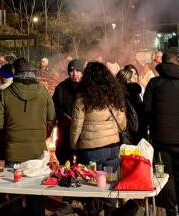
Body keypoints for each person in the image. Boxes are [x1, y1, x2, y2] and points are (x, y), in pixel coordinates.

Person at [0, 58, 55, 216]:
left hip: (13, 152)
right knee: (36, 194)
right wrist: (42, 136)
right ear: (31, 71)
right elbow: (51, 119)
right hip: (37, 151)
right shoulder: (43, 92)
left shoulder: (5, 93)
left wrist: (10, 135)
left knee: (15, 193)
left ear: (15, 72)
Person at [144, 53, 179, 216]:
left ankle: (171, 210)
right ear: (177, 65)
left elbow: (146, 109)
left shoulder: (154, 83)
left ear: (162, 65)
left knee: (166, 176)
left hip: (160, 138)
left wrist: (154, 125)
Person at [70, 61, 126, 215]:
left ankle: (94, 211)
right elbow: (122, 123)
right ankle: (110, 211)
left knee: (92, 186)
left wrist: (74, 145)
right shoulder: (115, 95)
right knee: (110, 183)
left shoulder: (83, 97)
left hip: (90, 150)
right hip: (112, 148)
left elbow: (76, 126)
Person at [53, 59, 83, 164]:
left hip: (82, 135)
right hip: (65, 134)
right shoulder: (61, 88)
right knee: (65, 163)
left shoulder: (87, 88)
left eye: (78, 71)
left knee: (83, 167)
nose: (75, 74)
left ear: (82, 72)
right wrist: (62, 115)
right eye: (71, 71)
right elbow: (54, 108)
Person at [117, 64, 145, 144]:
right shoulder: (131, 92)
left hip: (134, 129)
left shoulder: (140, 89)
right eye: (131, 74)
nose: (134, 76)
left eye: (135, 73)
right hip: (133, 130)